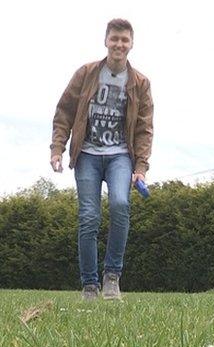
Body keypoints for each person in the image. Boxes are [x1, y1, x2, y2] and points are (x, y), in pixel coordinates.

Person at [49, 18, 153, 300]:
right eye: (114, 39)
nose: (119, 44)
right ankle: (89, 286)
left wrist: (140, 167)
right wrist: (57, 148)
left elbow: (144, 128)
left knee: (120, 204)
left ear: (131, 44)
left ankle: (112, 277)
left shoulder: (140, 83)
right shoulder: (86, 74)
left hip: (120, 155)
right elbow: (64, 112)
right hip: (87, 155)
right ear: (106, 41)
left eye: (124, 40)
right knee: (89, 217)